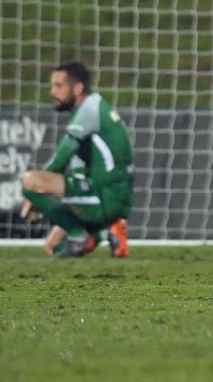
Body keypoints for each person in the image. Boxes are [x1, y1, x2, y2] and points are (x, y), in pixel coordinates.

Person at [19, 62, 132, 258]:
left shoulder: (88, 111)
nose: (52, 91)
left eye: (59, 86)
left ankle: (84, 236)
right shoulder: (96, 107)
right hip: (112, 196)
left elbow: (60, 160)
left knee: (31, 181)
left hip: (105, 197)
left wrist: (36, 195)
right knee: (52, 245)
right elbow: (78, 166)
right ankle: (105, 231)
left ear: (78, 88)